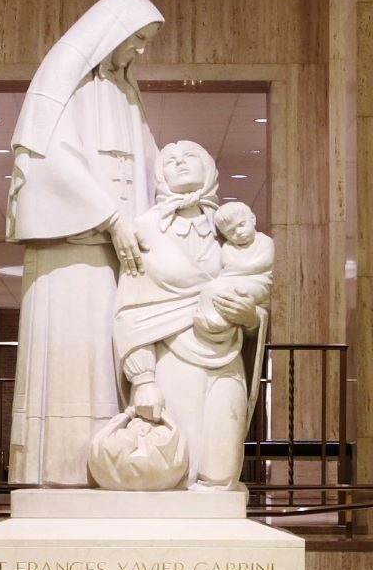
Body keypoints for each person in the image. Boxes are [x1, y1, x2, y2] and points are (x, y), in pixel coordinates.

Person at [6, 0, 164, 485]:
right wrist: (109, 217)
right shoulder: (64, 86)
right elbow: (47, 159)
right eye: (135, 39)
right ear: (110, 34)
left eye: (145, 42)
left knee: (113, 359)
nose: (139, 50)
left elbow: (150, 167)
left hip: (117, 261)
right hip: (69, 256)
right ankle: (63, 474)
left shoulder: (125, 92)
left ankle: (115, 470)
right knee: (72, 361)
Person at [114, 141, 271, 490]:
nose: (180, 163)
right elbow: (131, 311)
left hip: (227, 357)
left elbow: (255, 287)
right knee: (180, 471)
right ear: (160, 175)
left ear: (209, 169)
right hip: (173, 358)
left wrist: (250, 317)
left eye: (190, 157)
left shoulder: (230, 227)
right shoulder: (145, 230)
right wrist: (142, 380)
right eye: (170, 160)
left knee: (220, 473)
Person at [194, 201, 274, 339]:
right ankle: (209, 319)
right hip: (232, 280)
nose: (238, 232)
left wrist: (235, 272)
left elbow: (262, 263)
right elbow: (228, 265)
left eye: (241, 225)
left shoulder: (265, 241)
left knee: (233, 294)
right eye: (231, 231)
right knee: (210, 288)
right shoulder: (228, 247)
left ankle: (220, 324)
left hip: (258, 282)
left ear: (253, 219)